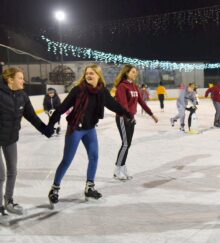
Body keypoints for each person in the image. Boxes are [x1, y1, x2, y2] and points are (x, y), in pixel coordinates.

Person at [47, 64, 132, 207]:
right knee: (67, 160)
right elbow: (63, 107)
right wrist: (50, 125)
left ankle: (89, 188)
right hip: (75, 128)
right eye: (87, 73)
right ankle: (54, 189)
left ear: (98, 75)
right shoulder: (78, 90)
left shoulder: (101, 91)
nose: (89, 75)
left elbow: (113, 105)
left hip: (90, 129)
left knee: (94, 157)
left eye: (92, 73)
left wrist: (127, 114)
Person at [0, 67, 54, 221]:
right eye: (20, 78)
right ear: (10, 80)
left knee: (13, 171)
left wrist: (46, 130)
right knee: (1, 174)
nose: (23, 81)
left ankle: (8, 201)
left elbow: (32, 116)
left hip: (10, 138)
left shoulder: (22, 96)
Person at [114, 64, 158, 180]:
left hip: (131, 118)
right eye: (133, 71)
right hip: (123, 118)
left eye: (136, 72)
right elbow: (123, 105)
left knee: (127, 144)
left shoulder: (133, 86)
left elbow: (141, 102)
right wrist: (129, 117)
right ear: (127, 73)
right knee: (125, 144)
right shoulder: (122, 86)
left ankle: (122, 168)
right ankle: (117, 170)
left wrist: (151, 114)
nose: (135, 73)